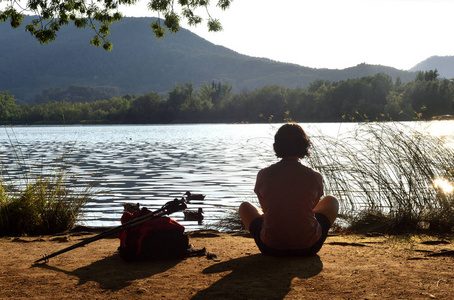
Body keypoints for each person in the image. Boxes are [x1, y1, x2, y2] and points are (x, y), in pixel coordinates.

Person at [239, 123, 339, 256]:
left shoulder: (264, 174)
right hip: (309, 247)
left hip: (270, 247)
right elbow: (312, 207)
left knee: (245, 206)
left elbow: (264, 208)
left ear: (276, 146)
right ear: (304, 146)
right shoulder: (315, 176)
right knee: (331, 201)